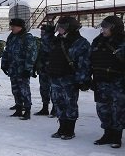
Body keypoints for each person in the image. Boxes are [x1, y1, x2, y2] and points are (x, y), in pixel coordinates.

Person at [46, 16, 91, 140]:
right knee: (58, 103)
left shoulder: (80, 43)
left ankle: (70, 129)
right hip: (56, 77)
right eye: (58, 27)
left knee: (70, 104)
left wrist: (82, 80)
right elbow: (47, 48)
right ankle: (62, 128)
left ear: (70, 28)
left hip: (70, 79)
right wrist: (48, 34)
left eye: (62, 27)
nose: (59, 29)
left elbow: (84, 64)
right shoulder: (57, 40)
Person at [90, 16, 125, 148]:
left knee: (118, 111)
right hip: (100, 81)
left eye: (106, 27)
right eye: (103, 26)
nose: (103, 29)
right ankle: (107, 134)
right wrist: (88, 78)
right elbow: (90, 60)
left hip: (118, 83)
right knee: (102, 109)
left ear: (115, 28)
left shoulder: (122, 42)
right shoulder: (97, 41)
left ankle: (116, 136)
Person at [1, 18, 38, 120]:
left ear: (20, 27)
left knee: (24, 90)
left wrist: (28, 68)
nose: (11, 28)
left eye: (13, 26)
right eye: (11, 26)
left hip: (22, 70)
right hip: (13, 69)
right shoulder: (12, 37)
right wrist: (4, 64)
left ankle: (27, 110)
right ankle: (18, 109)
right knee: (15, 90)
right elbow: (7, 51)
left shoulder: (27, 37)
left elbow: (32, 54)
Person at [35, 23, 56, 116]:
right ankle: (45, 107)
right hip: (42, 68)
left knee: (54, 89)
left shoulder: (55, 41)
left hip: (52, 69)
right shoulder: (41, 41)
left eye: (43, 31)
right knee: (44, 88)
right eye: (41, 31)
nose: (41, 33)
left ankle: (55, 108)